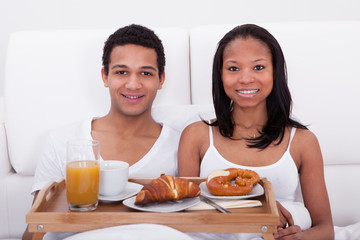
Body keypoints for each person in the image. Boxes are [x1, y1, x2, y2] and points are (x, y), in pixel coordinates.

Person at [23, 24, 181, 240]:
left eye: (145, 73)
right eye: (121, 72)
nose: (133, 84)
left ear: (161, 79)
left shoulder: (180, 145)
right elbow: (35, 231)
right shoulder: (63, 141)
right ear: (105, 76)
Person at [178, 24, 334, 240]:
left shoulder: (303, 142)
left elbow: (325, 228)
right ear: (220, 75)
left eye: (258, 67)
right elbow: (183, 216)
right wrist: (255, 209)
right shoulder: (195, 136)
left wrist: (300, 238)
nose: (246, 79)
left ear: (275, 71)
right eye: (233, 68)